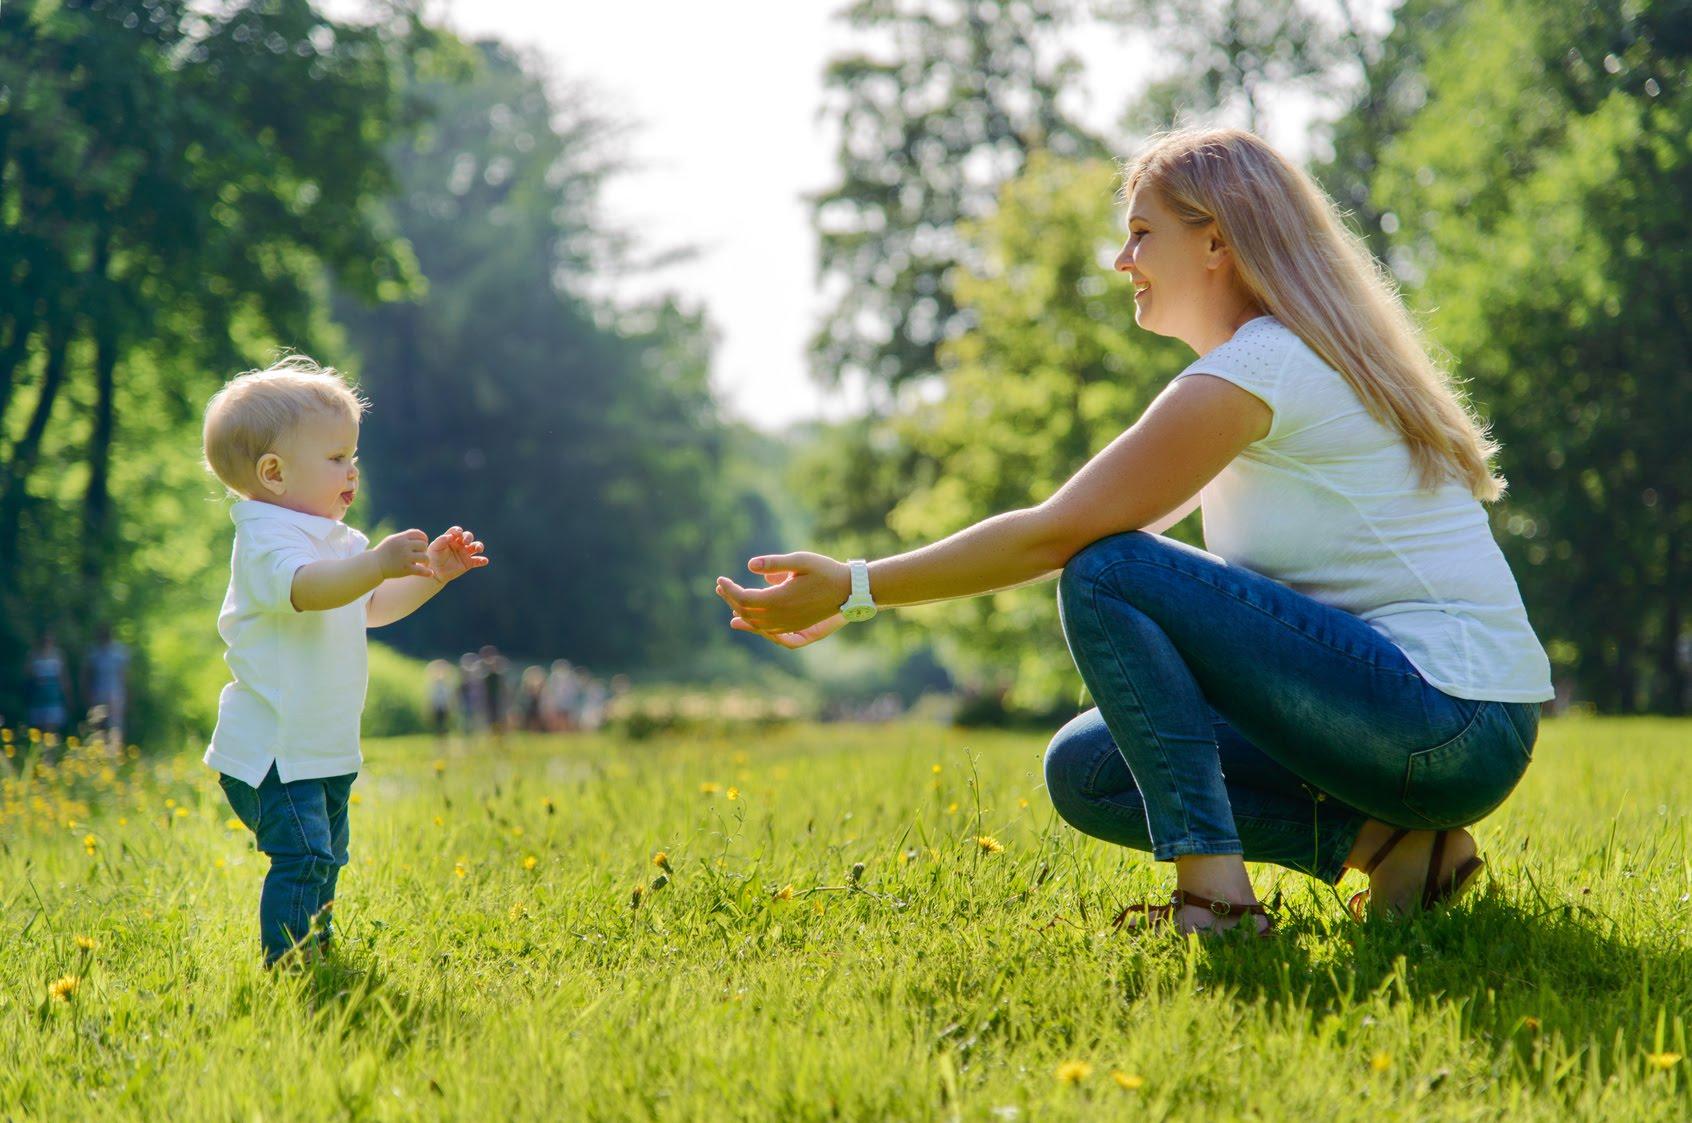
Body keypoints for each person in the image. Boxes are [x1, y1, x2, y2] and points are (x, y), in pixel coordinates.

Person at [717, 128, 1553, 934]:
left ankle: (1217, 906)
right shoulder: (1289, 359)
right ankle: (1397, 848)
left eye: (1142, 234)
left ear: (1215, 242)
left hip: (1446, 720)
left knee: (1107, 571)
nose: (1123, 261)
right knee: (1089, 769)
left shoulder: (1261, 366)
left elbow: (1061, 538)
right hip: (1455, 731)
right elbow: (1069, 534)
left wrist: (861, 587)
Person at [200, 355, 489, 966]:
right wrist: (374, 564)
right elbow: (307, 590)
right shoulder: (265, 539)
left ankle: (317, 950)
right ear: (274, 474)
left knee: (329, 855)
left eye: (353, 456)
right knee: (303, 856)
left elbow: (373, 606)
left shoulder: (340, 543)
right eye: (336, 459)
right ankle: (290, 964)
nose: (352, 471)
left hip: (322, 746)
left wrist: (433, 572)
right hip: (275, 751)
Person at [83, 623, 131, 752]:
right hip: (98, 693)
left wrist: (125, 694)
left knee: (115, 726)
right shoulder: (94, 653)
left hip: (115, 693)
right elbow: (88, 675)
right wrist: (88, 693)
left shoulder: (119, 652)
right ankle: (99, 753)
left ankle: (115, 753)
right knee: (98, 726)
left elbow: (123, 675)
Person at [23, 630, 71, 738]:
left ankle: (50, 753)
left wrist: (67, 696)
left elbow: (64, 678)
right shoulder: (33, 654)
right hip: (38, 696)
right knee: (38, 729)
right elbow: (27, 673)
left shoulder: (59, 654)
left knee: (52, 728)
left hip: (53, 695)